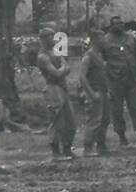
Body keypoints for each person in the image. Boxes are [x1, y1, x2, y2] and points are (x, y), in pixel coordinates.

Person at [104, 16, 136, 147]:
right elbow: (100, 59)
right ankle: (122, 138)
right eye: (117, 24)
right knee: (117, 110)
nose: (120, 25)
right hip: (115, 81)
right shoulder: (106, 41)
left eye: (121, 23)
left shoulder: (130, 38)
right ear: (111, 26)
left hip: (131, 80)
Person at [36, 28, 76, 161]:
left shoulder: (55, 52)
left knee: (69, 119)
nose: (53, 39)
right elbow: (56, 73)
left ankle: (67, 148)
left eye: (53, 36)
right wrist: (63, 68)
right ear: (43, 39)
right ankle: (55, 152)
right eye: (49, 36)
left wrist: (62, 68)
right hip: (52, 88)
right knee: (56, 120)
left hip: (62, 87)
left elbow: (67, 68)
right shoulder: (42, 56)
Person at [77, 28, 110, 156]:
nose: (105, 41)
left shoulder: (100, 55)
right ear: (95, 40)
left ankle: (101, 145)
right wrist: (91, 93)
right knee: (94, 120)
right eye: (102, 38)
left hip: (103, 91)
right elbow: (82, 77)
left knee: (105, 119)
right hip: (94, 92)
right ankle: (88, 147)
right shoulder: (88, 57)